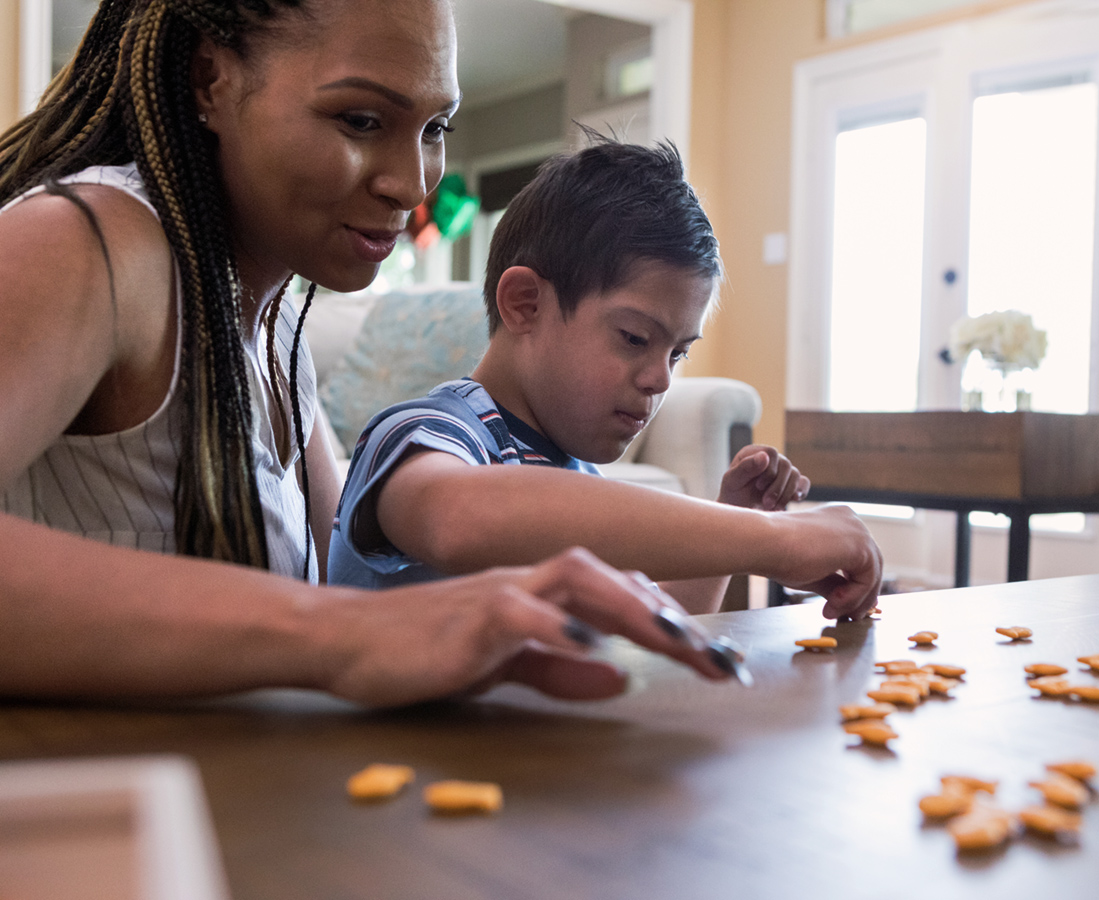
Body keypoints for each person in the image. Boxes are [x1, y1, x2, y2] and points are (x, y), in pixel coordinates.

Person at [0, 0, 740, 706]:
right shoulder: (90, 242)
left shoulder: (275, 336)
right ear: (210, 79)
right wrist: (348, 635)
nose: (412, 183)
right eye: (360, 119)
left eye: (434, 126)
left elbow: (338, 580)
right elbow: (350, 615)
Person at [327, 136, 884, 616]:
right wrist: (773, 541)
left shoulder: (577, 479)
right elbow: (458, 519)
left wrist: (730, 523)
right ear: (525, 304)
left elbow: (660, 628)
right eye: (635, 339)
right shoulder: (427, 433)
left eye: (677, 354)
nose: (660, 381)